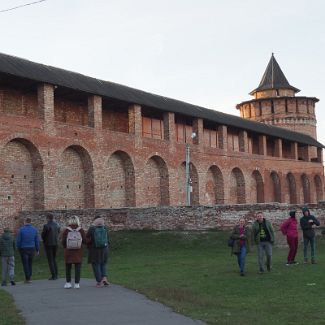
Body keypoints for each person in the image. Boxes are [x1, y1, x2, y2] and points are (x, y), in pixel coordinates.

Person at [61, 216, 86, 289]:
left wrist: (65, 247)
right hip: (78, 251)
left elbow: (63, 241)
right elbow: (84, 240)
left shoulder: (66, 230)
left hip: (68, 251)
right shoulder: (80, 230)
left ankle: (68, 283)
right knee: (78, 267)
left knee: (68, 267)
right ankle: (77, 283)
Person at [86, 216, 109, 287]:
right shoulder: (105, 228)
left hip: (95, 250)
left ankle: (99, 281)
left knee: (96, 264)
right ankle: (104, 278)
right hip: (105, 249)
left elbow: (87, 237)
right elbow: (108, 238)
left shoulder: (92, 228)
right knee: (103, 263)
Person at [16, 217, 40, 283]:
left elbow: (18, 241)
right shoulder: (34, 230)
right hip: (32, 248)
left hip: (23, 248)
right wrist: (38, 249)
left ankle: (28, 278)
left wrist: (18, 248)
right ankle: (30, 276)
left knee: (25, 264)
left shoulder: (21, 230)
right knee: (30, 263)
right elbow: (37, 240)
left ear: (25, 222)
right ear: (31, 222)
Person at [41, 213, 60, 280]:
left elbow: (43, 235)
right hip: (56, 243)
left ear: (48, 218)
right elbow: (58, 232)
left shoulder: (46, 226)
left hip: (48, 244)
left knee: (50, 260)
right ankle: (56, 274)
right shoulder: (57, 225)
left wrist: (44, 240)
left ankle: (54, 275)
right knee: (54, 259)